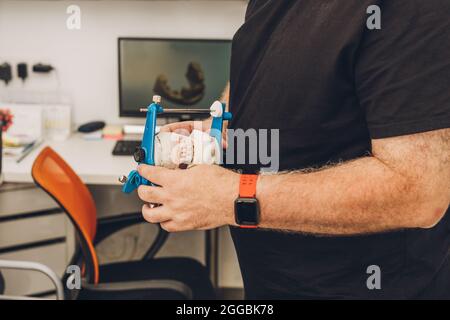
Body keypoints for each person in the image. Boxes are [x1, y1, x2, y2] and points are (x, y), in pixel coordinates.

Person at [136, 0, 450, 299]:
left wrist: (229, 197)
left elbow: (418, 193)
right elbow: (267, 68)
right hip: (270, 280)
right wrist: (217, 128)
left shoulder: (410, 8)